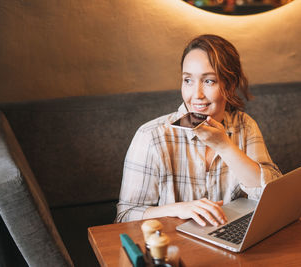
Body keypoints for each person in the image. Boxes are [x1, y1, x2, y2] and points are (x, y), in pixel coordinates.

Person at [116, 34, 281, 226]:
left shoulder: (245, 126)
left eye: (209, 81)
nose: (196, 95)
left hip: (232, 244)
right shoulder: (151, 137)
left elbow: (273, 196)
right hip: (176, 247)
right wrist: (180, 208)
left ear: (230, 84)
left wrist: (224, 146)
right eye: (188, 80)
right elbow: (124, 217)